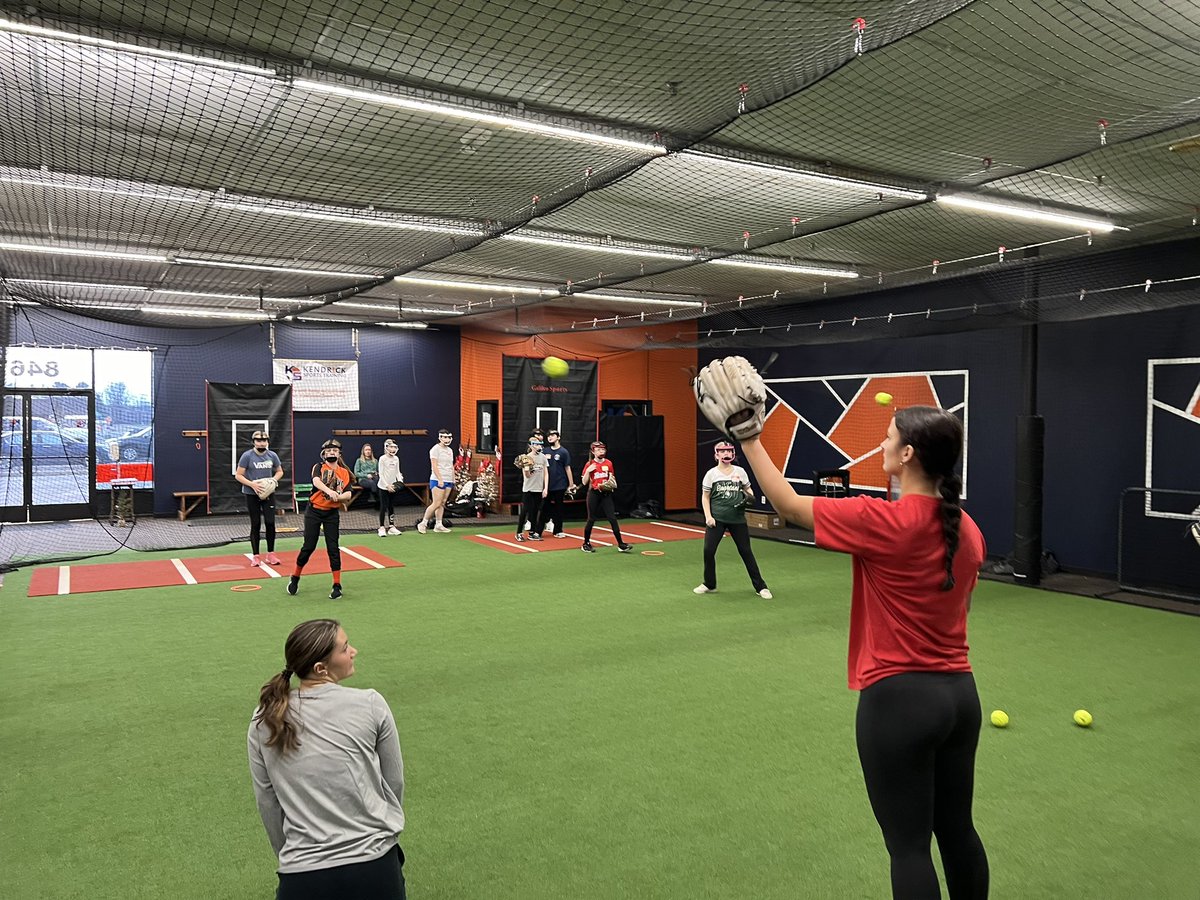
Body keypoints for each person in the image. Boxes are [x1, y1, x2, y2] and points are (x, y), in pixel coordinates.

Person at [698, 360, 988, 900]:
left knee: (908, 847)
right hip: (960, 698)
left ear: (908, 456)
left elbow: (785, 506)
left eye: (887, 437)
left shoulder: (882, 520)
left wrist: (749, 436)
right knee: (958, 831)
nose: (881, 443)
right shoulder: (968, 530)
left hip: (898, 700)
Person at [248, 618, 406, 899]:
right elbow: (393, 783)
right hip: (374, 865)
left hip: (301, 875)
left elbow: (267, 802)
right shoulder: (370, 703)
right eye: (345, 648)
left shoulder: (263, 720)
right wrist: (382, 833)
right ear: (321, 669)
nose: (354, 651)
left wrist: (293, 854)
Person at [695, 441, 771, 599]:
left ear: (733, 454)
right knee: (708, 551)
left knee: (746, 552)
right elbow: (705, 496)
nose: (726, 454)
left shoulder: (740, 471)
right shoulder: (711, 474)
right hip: (717, 519)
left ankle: (761, 587)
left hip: (737, 520)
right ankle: (709, 583)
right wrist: (708, 517)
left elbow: (748, 489)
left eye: (729, 451)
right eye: (722, 451)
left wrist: (749, 496)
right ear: (716, 455)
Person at [288, 439, 353, 600]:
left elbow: (349, 493)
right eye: (328, 451)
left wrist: (339, 497)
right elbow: (316, 481)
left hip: (332, 514)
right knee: (308, 547)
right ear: (323, 454)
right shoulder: (319, 467)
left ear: (339, 454)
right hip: (314, 511)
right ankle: (295, 577)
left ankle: (337, 585)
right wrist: (328, 491)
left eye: (335, 450)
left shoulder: (344, 472)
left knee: (333, 548)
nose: (332, 452)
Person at [235, 429, 285, 567]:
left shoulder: (272, 455)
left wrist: (273, 481)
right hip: (252, 494)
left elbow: (280, 471)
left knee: (270, 523)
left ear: (267, 442)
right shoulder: (247, 456)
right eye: (258, 440)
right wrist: (252, 485)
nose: (261, 443)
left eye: (264, 440)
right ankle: (256, 556)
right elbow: (238, 475)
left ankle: (271, 554)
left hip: (268, 494)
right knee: (255, 523)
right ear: (254, 442)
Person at [579, 440, 631, 553]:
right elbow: (584, 482)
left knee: (612, 518)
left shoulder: (608, 463)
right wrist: (588, 471)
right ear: (593, 452)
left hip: (606, 494)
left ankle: (621, 544)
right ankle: (586, 543)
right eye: (598, 449)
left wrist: (610, 484)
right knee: (591, 519)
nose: (601, 451)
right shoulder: (589, 464)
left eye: (603, 449)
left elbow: (612, 477)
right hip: (594, 493)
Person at [535, 429, 575, 538]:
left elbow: (567, 468)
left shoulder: (563, 452)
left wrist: (571, 485)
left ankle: (558, 530)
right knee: (544, 509)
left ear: (558, 437)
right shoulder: (545, 451)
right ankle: (538, 531)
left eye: (552, 435)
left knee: (559, 508)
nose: (550, 437)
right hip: (547, 486)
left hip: (560, 485)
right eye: (548, 436)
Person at [416, 428, 454, 534]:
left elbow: (451, 465)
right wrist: (440, 479)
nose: (447, 439)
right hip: (437, 479)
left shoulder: (450, 450)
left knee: (442, 503)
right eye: (445, 437)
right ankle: (423, 523)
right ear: (440, 438)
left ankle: (439, 524)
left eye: (449, 437)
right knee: (436, 503)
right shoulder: (435, 449)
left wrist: (453, 478)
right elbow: (434, 465)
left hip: (448, 479)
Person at [514, 437, 548, 543]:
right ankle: (519, 533)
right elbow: (527, 476)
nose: (539, 446)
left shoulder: (543, 457)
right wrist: (527, 468)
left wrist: (545, 488)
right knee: (525, 511)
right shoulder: (527, 457)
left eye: (540, 444)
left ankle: (532, 533)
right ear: (531, 445)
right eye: (536, 444)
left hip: (538, 489)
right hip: (528, 489)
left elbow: (546, 473)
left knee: (535, 511)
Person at [377, 439, 404, 537]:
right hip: (383, 487)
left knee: (391, 506)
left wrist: (400, 481)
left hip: (393, 487)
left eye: (394, 447)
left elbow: (397, 472)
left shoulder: (396, 459)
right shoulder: (382, 459)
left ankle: (391, 527)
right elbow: (381, 473)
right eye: (391, 447)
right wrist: (386, 485)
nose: (392, 449)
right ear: (386, 447)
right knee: (383, 507)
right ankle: (381, 527)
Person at [354, 443, 380, 510]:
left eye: (369, 450)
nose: (368, 451)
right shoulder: (359, 460)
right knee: (372, 483)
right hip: (363, 479)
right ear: (363, 451)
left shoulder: (375, 461)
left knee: (377, 480)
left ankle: (374, 498)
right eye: (366, 450)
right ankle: (375, 499)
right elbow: (356, 473)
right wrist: (366, 475)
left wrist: (377, 473)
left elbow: (378, 471)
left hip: (374, 478)